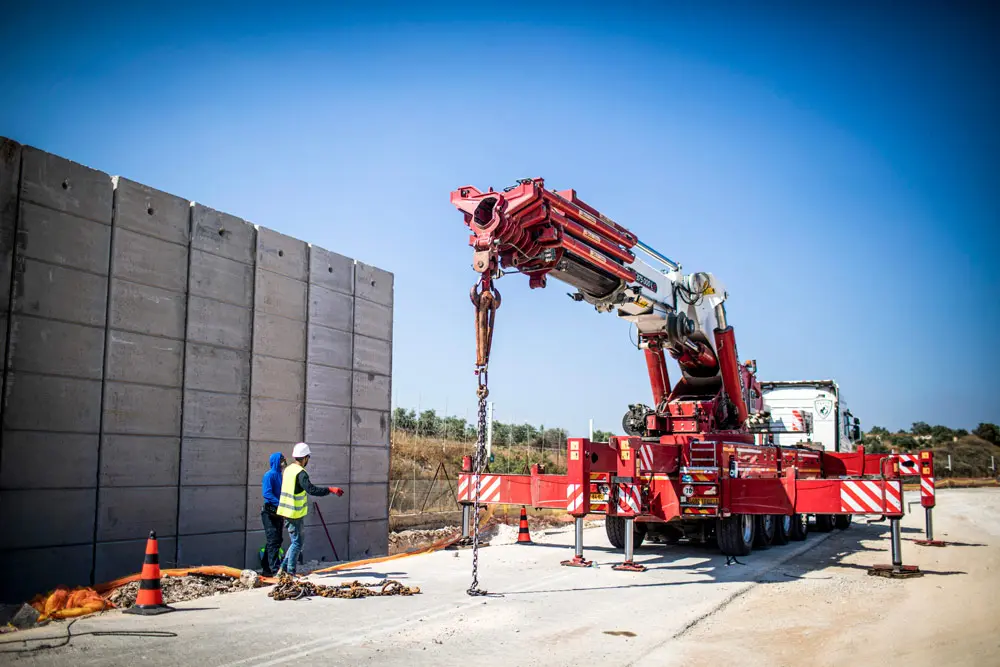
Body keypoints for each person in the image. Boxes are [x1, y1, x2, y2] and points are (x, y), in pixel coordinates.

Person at [276, 442, 344, 576]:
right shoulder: (301, 473)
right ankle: (290, 572)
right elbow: (311, 489)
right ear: (305, 457)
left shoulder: (288, 469)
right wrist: (330, 490)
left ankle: (282, 569)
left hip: (285, 511)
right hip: (294, 513)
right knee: (297, 543)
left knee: (295, 541)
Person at [260, 452, 286, 576]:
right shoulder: (269, 475)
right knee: (273, 540)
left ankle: (266, 568)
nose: (283, 463)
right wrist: (280, 503)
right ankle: (275, 570)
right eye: (281, 460)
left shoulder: (280, 476)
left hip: (278, 512)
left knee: (276, 540)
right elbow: (267, 494)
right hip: (269, 512)